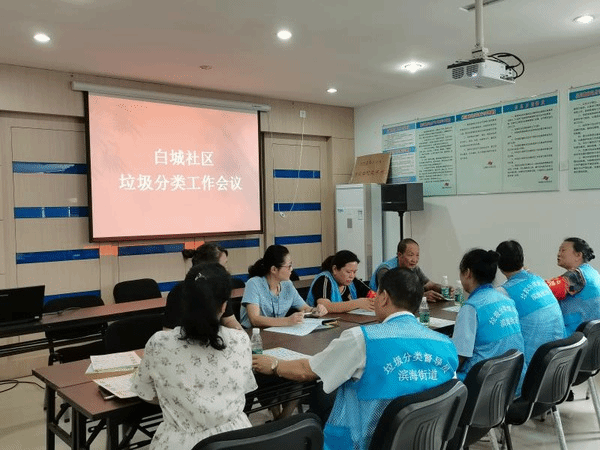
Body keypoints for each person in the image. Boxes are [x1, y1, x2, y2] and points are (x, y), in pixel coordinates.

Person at [253, 268, 459, 450]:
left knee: (317, 405)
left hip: (364, 442)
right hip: (424, 442)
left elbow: (308, 371)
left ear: (384, 298)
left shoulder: (363, 339)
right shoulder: (445, 344)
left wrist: (274, 365)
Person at [130, 263, 257, 449]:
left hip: (181, 443)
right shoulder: (241, 340)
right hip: (237, 440)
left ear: (184, 302)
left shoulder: (160, 343)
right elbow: (244, 388)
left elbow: (146, 394)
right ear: (224, 306)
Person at [452, 249, 526, 387]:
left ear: (467, 273)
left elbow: (459, 358)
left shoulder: (471, 307)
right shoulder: (506, 300)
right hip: (513, 383)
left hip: (483, 386)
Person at [495, 240, 566, 366]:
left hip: (533, 365)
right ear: (522, 259)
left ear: (499, 265)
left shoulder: (504, 292)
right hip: (560, 358)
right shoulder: (538, 279)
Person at [240, 244, 327, 329]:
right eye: (288, 266)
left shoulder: (287, 284)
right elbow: (254, 319)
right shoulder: (254, 284)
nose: (291, 269)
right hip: (252, 334)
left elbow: (305, 309)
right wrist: (287, 321)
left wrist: (315, 311)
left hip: (276, 333)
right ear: (274, 269)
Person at [165, 242, 242, 330]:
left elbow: (229, 320)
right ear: (210, 267)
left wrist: (242, 334)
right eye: (224, 265)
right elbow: (168, 330)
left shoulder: (220, 287)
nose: (226, 269)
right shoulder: (179, 291)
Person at [546, 237, 600, 335]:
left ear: (578, 255)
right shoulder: (592, 273)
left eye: (563, 250)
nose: (559, 254)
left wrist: (530, 281)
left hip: (574, 334)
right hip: (590, 336)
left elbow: (545, 291)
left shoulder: (577, 275)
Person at [369, 238, 449, 302]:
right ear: (400, 255)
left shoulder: (413, 268)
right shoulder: (385, 269)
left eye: (417, 255)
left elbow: (429, 285)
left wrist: (444, 289)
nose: (415, 260)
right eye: (411, 255)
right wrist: (421, 296)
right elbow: (391, 295)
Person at [306, 250, 375, 312]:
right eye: (348, 272)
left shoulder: (353, 281)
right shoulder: (324, 279)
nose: (352, 276)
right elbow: (325, 306)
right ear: (335, 269)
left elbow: (373, 296)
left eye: (354, 272)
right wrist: (357, 303)